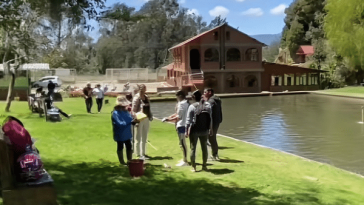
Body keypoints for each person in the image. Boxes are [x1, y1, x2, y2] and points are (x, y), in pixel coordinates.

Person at [185, 90, 213, 172]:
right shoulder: (207, 105)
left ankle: (194, 167)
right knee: (204, 148)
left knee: (193, 148)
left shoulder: (192, 106)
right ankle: (204, 166)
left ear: (193, 97)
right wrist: (211, 129)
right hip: (204, 130)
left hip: (194, 130)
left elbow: (188, 120)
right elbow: (210, 119)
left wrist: (187, 131)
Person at [163, 90, 189, 167]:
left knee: (183, 143)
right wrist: (169, 117)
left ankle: (185, 161)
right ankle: (184, 158)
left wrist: (167, 120)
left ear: (179, 96)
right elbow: (177, 114)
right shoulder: (186, 103)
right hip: (184, 125)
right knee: (182, 143)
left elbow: (178, 117)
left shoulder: (181, 104)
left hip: (182, 125)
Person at [112, 96, 139, 165]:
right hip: (120, 133)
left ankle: (129, 160)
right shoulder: (115, 113)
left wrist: (135, 121)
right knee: (120, 146)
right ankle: (122, 162)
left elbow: (130, 119)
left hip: (127, 132)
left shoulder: (126, 112)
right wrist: (130, 122)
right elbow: (120, 123)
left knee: (129, 146)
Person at [132, 84, 153, 160]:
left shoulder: (146, 97)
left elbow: (149, 107)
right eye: (142, 89)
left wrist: (150, 115)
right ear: (139, 89)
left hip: (146, 118)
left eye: (144, 89)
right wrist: (136, 118)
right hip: (140, 118)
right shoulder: (137, 98)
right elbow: (133, 110)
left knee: (145, 136)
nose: (144, 90)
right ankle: (138, 153)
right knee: (138, 136)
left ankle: (143, 153)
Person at [204, 88, 223, 161]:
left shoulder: (211, 101)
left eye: (205, 92)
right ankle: (214, 154)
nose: (204, 94)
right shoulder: (216, 99)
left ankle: (214, 155)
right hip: (217, 121)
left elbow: (208, 110)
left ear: (209, 92)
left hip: (213, 122)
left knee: (211, 138)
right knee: (211, 138)